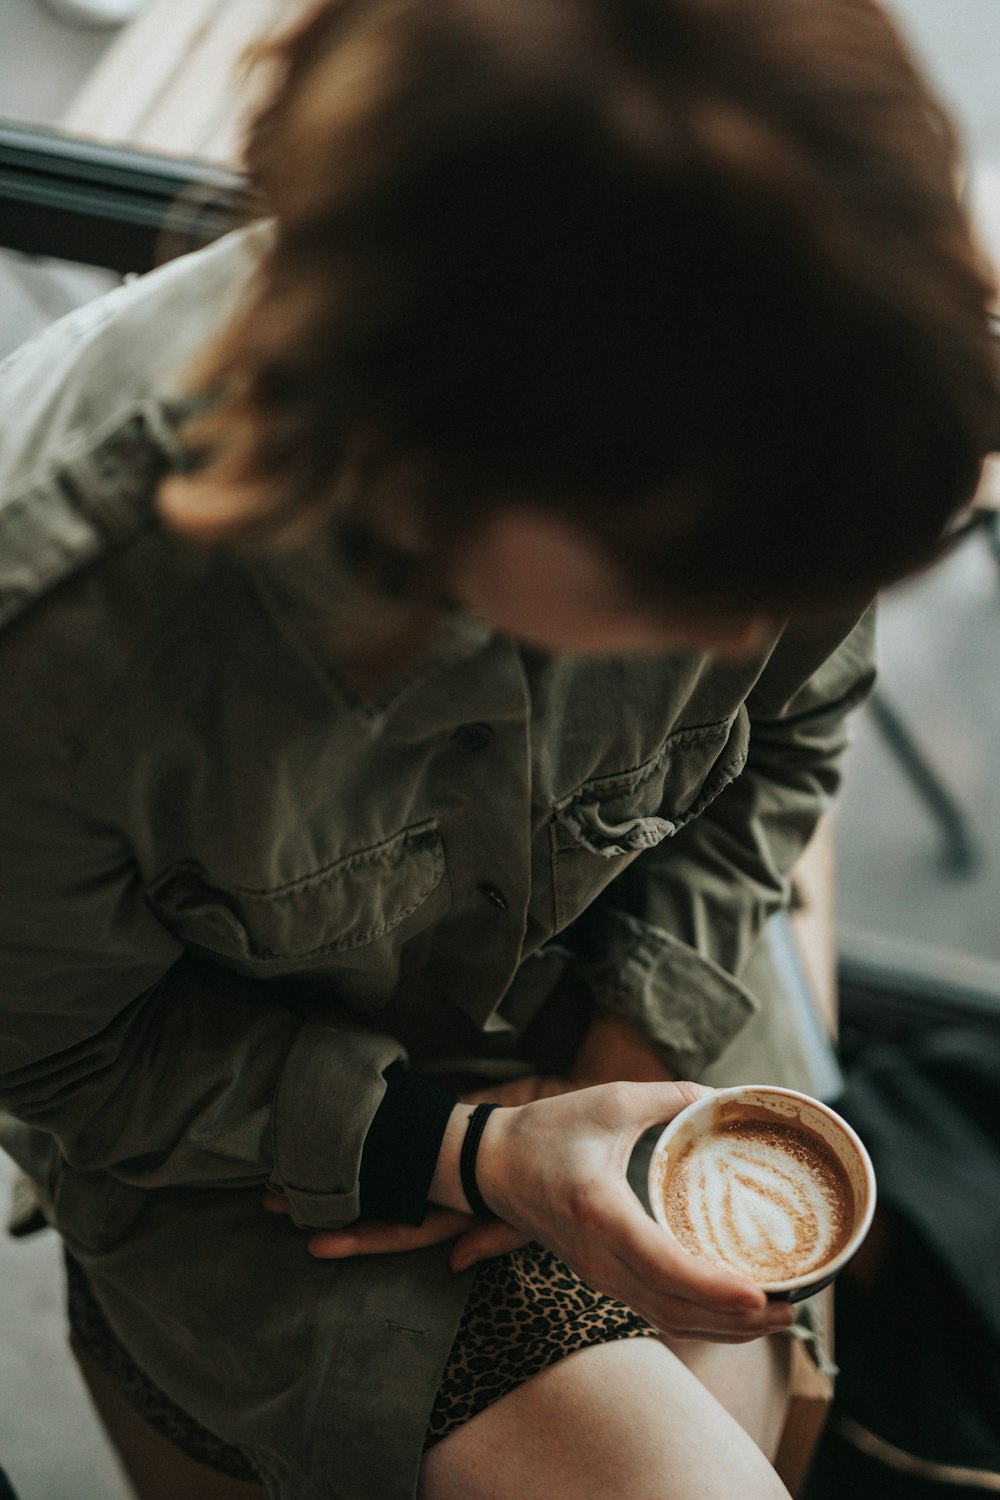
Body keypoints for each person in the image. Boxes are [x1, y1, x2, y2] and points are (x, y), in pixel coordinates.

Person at [0, 1, 996, 1497]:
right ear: (426, 443)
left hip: (620, 987)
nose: (740, 638)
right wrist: (465, 1149)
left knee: (743, 1417)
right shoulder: (71, 632)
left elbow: (785, 738)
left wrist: (638, 1027)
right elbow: (65, 1048)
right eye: (682, 586)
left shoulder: (783, 411)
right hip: (237, 1145)